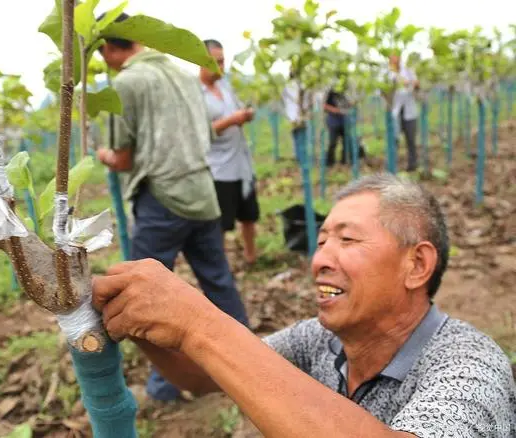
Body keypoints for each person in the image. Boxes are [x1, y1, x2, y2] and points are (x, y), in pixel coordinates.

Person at [91, 173, 516, 437]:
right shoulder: (319, 340)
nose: (319, 260)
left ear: (417, 264)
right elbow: (205, 378)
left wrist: (200, 323)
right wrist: (136, 319)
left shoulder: (469, 366)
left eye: (347, 240)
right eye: (321, 241)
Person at [94, 12, 249, 402]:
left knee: (140, 295)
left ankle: (165, 387)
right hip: (202, 192)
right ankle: (251, 362)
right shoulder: (184, 75)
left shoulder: (126, 82)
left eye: (101, 52)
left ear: (110, 48)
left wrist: (104, 155)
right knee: (218, 281)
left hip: (161, 199)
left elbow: (124, 159)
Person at [199, 39, 260, 264]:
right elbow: (199, 131)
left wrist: (245, 115)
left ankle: (251, 256)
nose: (221, 67)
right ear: (201, 62)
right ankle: (220, 265)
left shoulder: (226, 87)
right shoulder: (196, 94)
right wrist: (232, 120)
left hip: (242, 164)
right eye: (216, 62)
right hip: (218, 169)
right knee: (221, 223)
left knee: (249, 215)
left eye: (223, 61)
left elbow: (238, 112)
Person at [389, 53, 419, 172]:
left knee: (410, 139)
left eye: (396, 56)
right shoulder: (387, 73)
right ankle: (392, 166)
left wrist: (410, 83)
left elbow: (417, 84)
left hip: (409, 110)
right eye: (391, 57)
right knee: (394, 140)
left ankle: (412, 165)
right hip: (395, 111)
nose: (394, 59)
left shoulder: (408, 71)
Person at [323, 81, 350, 167]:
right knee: (333, 142)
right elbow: (325, 106)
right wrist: (335, 110)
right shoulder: (331, 93)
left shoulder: (344, 93)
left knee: (346, 141)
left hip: (344, 121)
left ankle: (344, 160)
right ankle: (330, 162)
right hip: (333, 122)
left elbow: (348, 105)